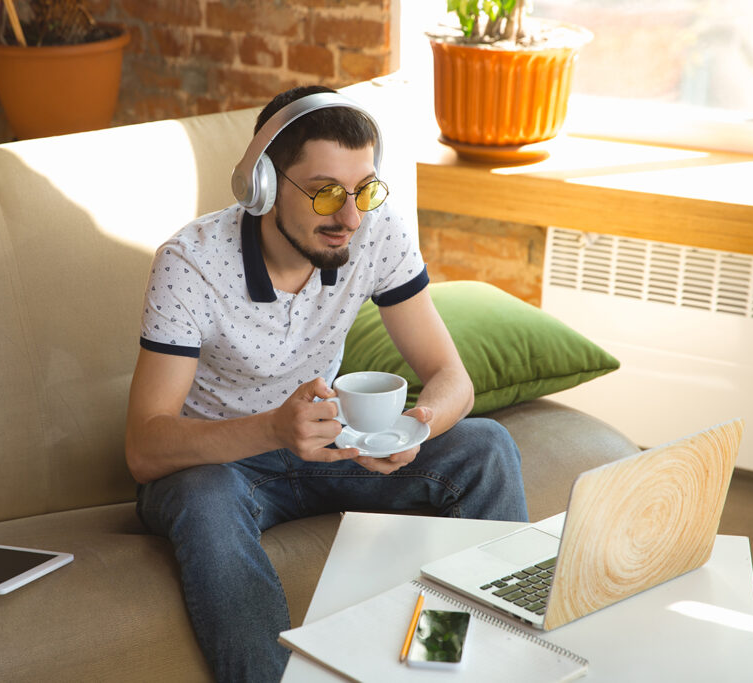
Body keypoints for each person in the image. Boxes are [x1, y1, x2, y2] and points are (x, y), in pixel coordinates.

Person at [125, 85, 527, 682]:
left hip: (333, 450)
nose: (349, 217)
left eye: (363, 189)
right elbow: (143, 448)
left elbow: (451, 380)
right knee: (202, 496)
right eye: (325, 193)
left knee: (486, 447)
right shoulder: (191, 265)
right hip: (225, 465)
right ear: (261, 185)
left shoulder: (374, 231)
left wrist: (414, 427)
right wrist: (269, 429)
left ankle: (449, 664)